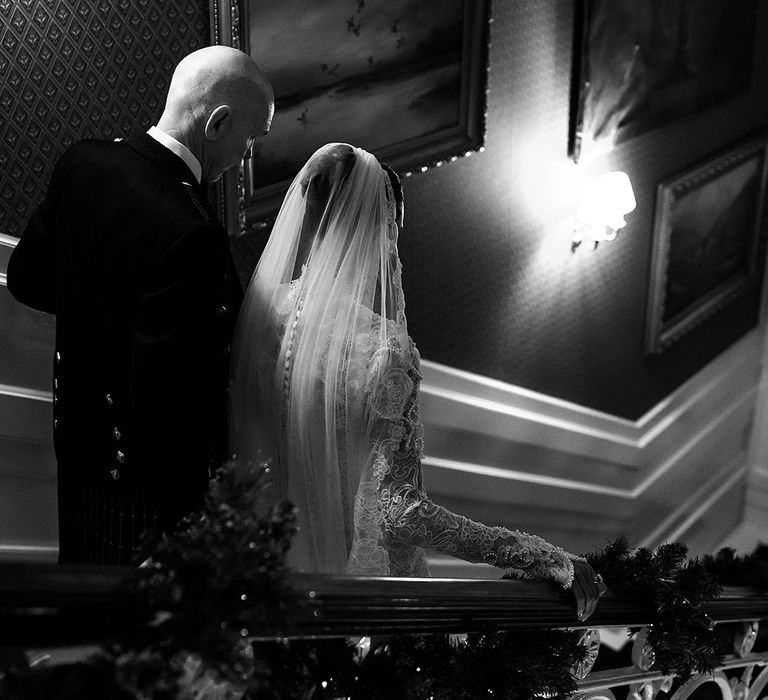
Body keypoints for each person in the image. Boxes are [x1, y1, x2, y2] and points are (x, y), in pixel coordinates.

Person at [230, 143, 607, 620]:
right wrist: (538, 555)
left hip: (267, 582)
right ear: (378, 231)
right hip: (357, 599)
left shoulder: (262, 316)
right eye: (392, 234)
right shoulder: (383, 351)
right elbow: (401, 509)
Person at [6, 46, 274, 566]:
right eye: (252, 137)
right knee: (137, 637)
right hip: (142, 490)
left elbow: (26, 279)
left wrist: (101, 315)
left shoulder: (82, 160)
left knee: (90, 618)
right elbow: (172, 403)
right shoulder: (192, 232)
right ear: (217, 123)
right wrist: (193, 525)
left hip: (79, 449)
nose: (248, 154)